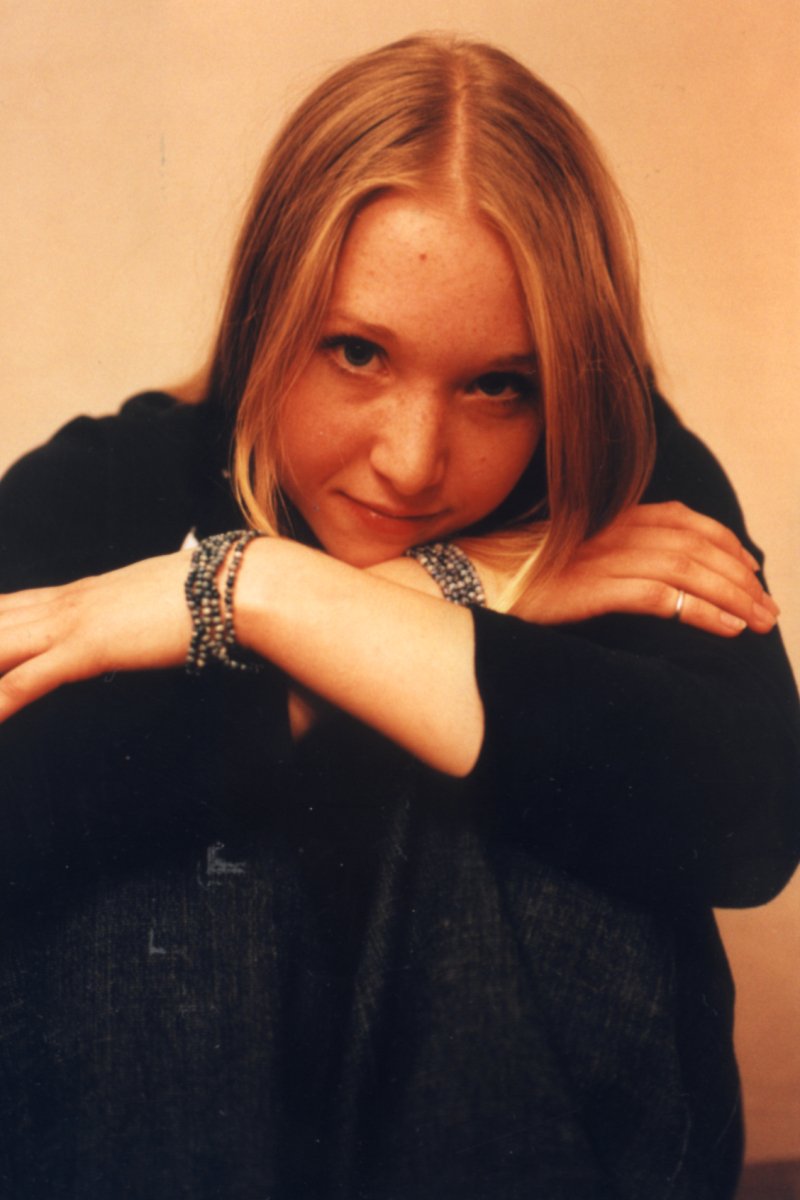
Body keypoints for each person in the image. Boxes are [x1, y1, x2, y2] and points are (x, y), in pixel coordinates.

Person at [0, 33, 797, 1200]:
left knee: (538, 822)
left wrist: (257, 591)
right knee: (155, 872)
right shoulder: (114, 482)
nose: (414, 463)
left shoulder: (621, 488)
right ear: (268, 316)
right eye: (357, 352)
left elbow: (748, 822)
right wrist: (422, 598)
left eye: (496, 385)